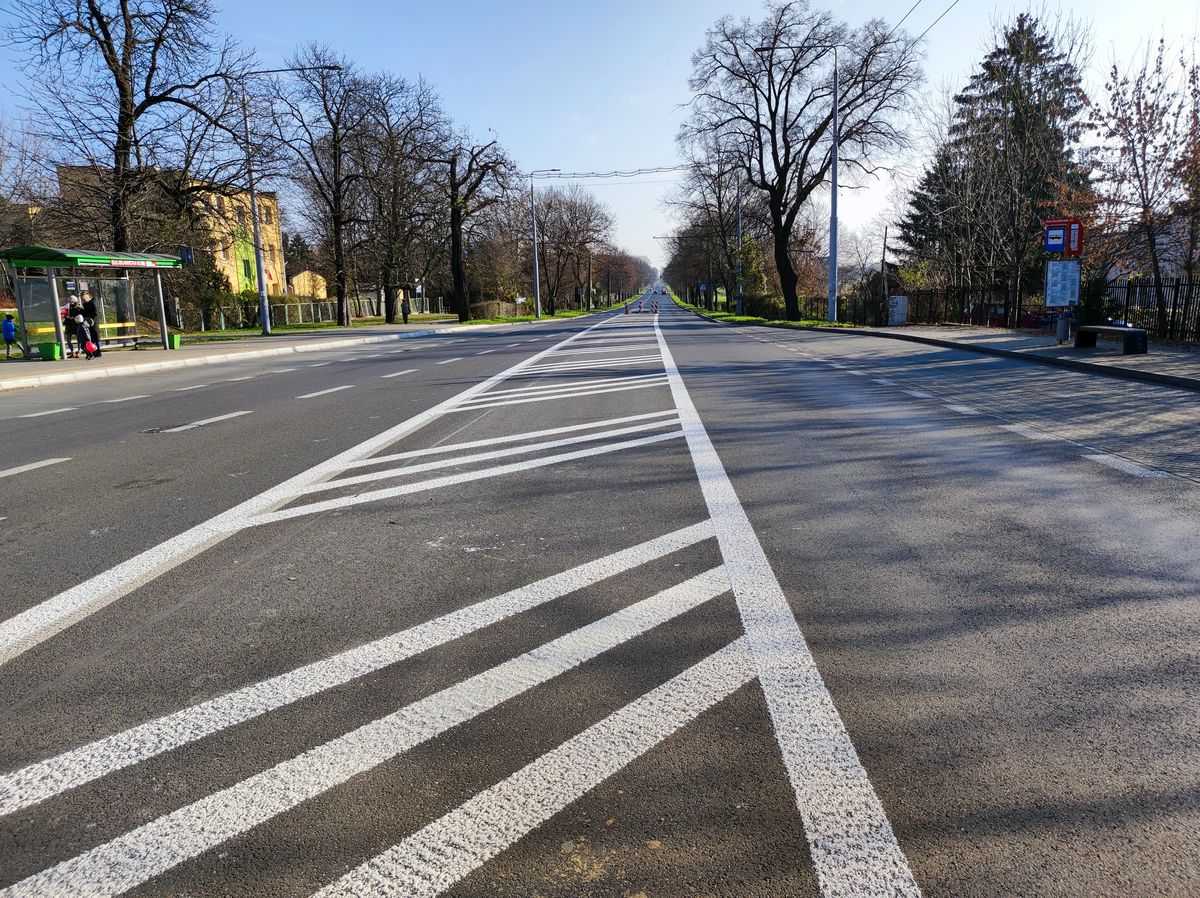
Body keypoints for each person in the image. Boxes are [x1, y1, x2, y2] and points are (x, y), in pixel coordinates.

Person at [81, 291, 101, 356]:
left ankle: (99, 350)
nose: (84, 300)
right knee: (90, 336)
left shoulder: (93, 302)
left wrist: (90, 318)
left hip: (93, 321)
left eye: (84, 298)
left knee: (96, 335)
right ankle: (94, 350)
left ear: (88, 296)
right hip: (87, 322)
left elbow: (95, 312)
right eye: (83, 299)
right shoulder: (85, 304)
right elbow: (84, 313)